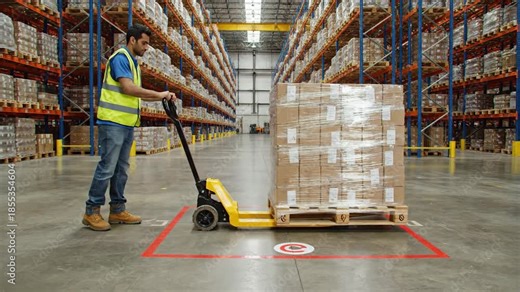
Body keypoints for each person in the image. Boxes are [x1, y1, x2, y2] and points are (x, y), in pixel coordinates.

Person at [82, 24, 176, 231]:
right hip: (112, 122)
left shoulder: (132, 62)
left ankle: (117, 210)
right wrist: (160, 94)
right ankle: (91, 211)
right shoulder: (121, 58)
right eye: (144, 43)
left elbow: (134, 94)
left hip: (125, 123)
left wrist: (162, 97)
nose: (147, 48)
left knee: (121, 169)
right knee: (107, 168)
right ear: (132, 40)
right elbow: (129, 89)